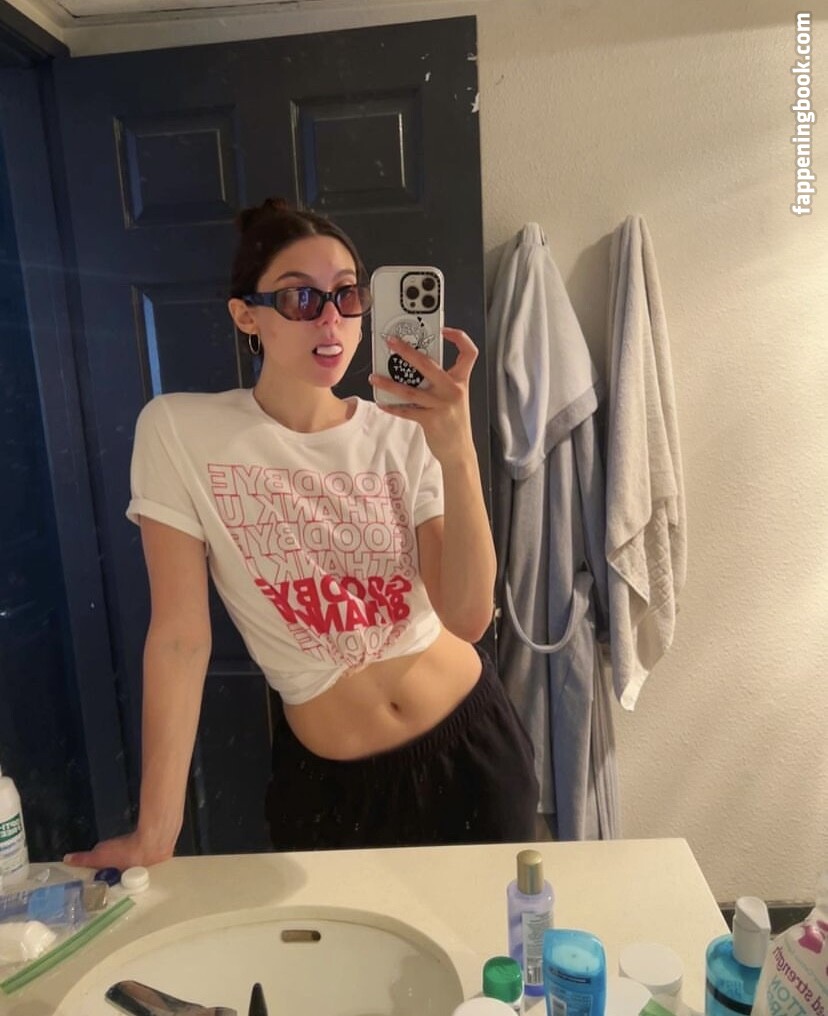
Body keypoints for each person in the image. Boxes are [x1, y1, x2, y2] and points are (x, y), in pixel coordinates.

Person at [64, 199, 538, 869]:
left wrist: (457, 449)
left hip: (473, 748)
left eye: (347, 295)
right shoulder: (179, 433)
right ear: (245, 315)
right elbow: (179, 638)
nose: (329, 318)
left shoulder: (406, 429)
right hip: (334, 791)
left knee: (500, 936)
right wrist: (156, 832)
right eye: (299, 297)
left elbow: (466, 616)